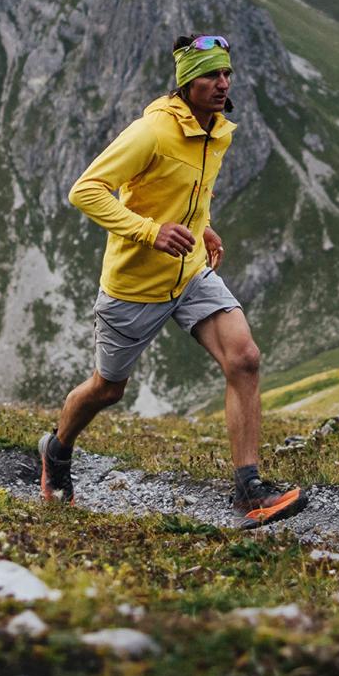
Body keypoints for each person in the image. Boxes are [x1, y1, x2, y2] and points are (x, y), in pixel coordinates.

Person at [39, 34, 307, 528]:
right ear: (187, 81)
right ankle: (56, 450)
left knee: (244, 358)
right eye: (211, 75)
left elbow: (185, 188)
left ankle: (249, 488)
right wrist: (150, 231)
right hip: (134, 285)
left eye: (226, 74)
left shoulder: (217, 129)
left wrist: (200, 224)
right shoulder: (152, 132)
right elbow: (85, 190)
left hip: (190, 271)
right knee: (106, 390)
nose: (222, 83)